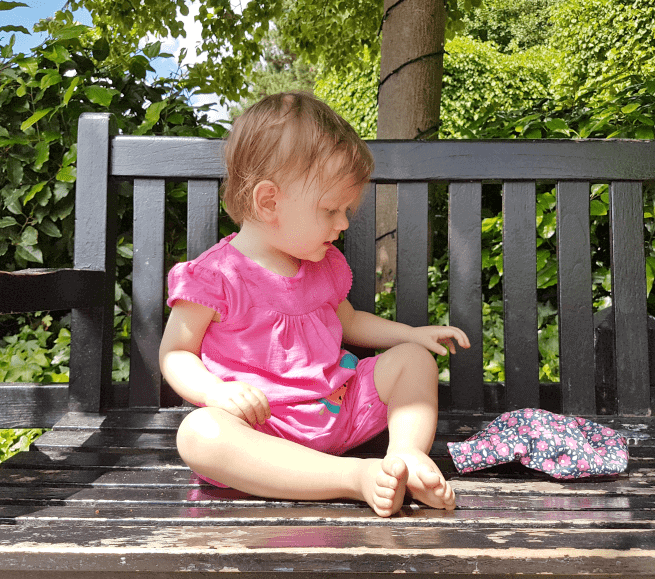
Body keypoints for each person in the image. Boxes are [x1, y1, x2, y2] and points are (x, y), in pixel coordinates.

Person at [159, 91, 470, 517]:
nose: (343, 223)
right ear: (269, 202)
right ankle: (354, 478)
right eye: (331, 210)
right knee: (199, 434)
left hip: (338, 406)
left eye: (345, 210)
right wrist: (214, 391)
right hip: (264, 432)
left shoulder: (321, 263)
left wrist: (411, 335)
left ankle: (406, 458)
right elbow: (176, 352)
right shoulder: (216, 276)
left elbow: (351, 321)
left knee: (414, 361)